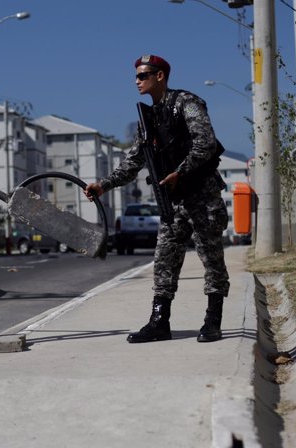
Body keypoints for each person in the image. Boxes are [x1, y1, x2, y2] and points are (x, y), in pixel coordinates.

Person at [85, 54, 230, 343]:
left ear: (160, 76)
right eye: (137, 76)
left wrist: (180, 171)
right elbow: (134, 160)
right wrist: (103, 185)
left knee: (211, 259)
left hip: (201, 194)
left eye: (143, 75)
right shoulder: (148, 119)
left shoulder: (187, 103)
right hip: (172, 200)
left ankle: (213, 321)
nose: (137, 81)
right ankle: (159, 322)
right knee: (164, 260)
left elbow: (206, 144)